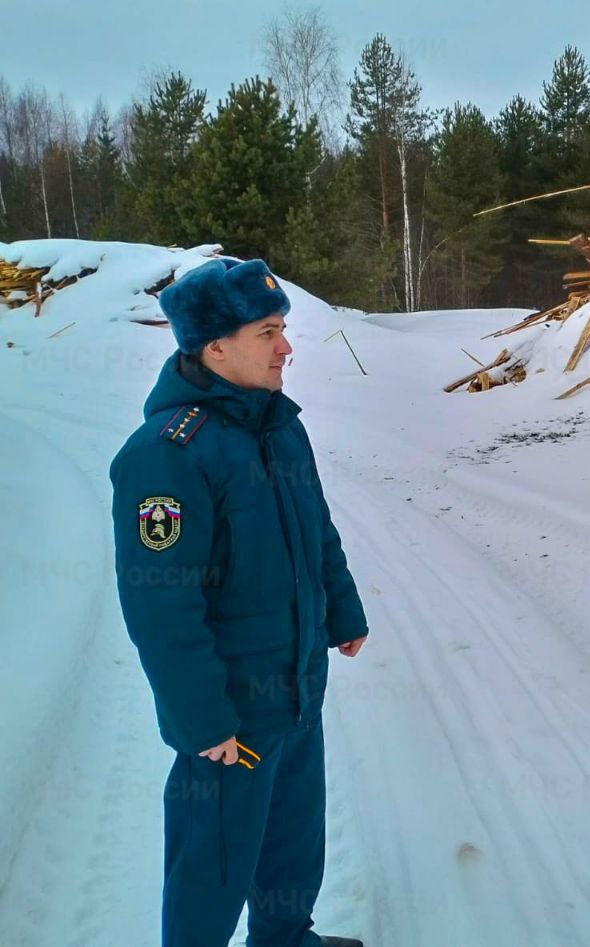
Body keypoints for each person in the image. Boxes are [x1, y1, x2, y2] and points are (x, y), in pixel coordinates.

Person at [110, 257, 368, 947]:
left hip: (296, 690)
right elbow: (160, 609)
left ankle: (284, 938)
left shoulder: (281, 427)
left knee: (292, 840)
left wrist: (341, 609)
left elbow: (317, 529)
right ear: (215, 345)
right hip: (231, 719)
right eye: (268, 332)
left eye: (283, 329)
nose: (287, 347)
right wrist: (202, 719)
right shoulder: (167, 455)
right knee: (213, 865)